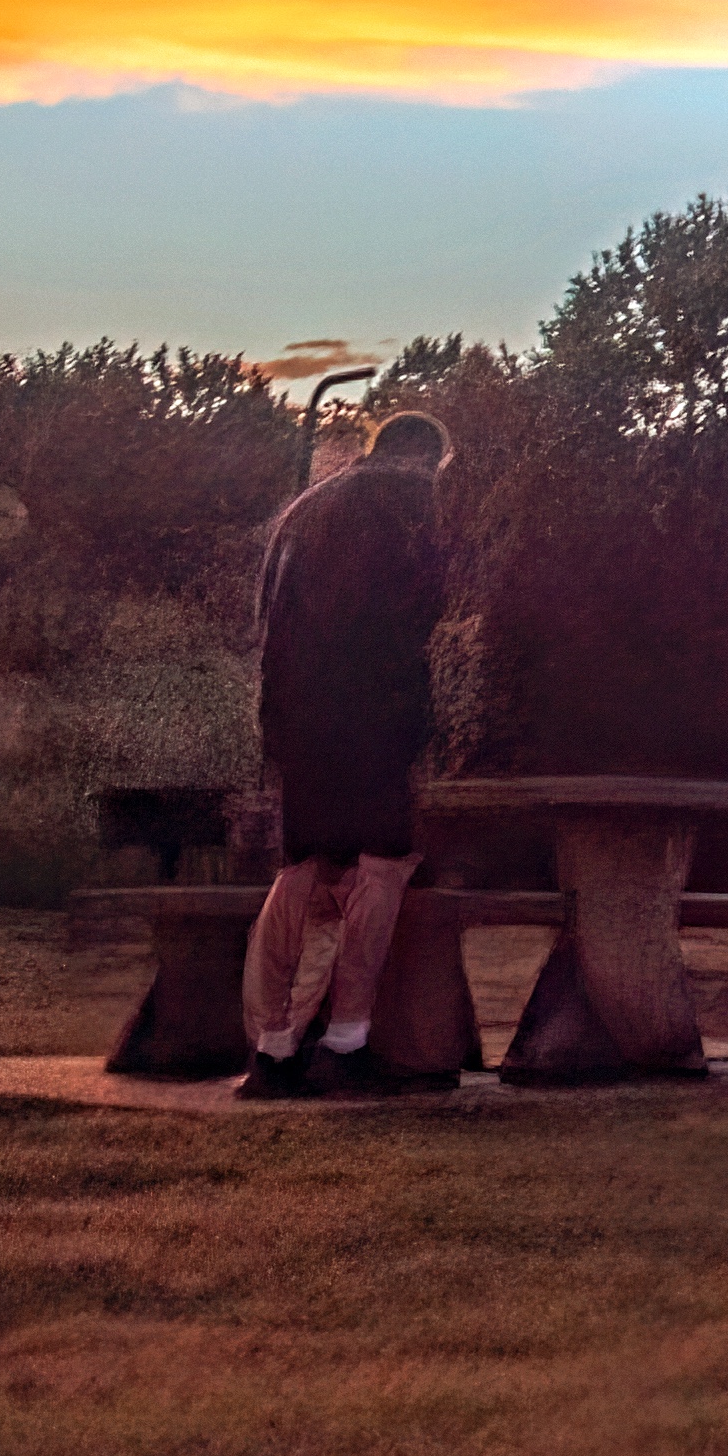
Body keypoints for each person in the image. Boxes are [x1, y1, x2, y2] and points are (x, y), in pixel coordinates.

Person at [238, 406, 453, 1098]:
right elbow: (418, 611)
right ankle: (346, 1038)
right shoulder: (407, 505)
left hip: (296, 720)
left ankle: (273, 1046)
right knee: (379, 870)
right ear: (426, 460)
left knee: (302, 871)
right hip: (373, 720)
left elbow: (268, 626)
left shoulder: (303, 512)